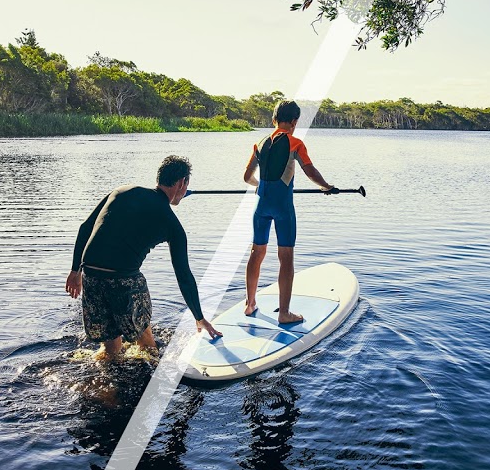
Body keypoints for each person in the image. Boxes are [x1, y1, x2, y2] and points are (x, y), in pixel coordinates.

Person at [65, 155, 222, 360]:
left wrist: (75, 271)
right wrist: (199, 317)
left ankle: (107, 375)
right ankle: (152, 372)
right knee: (147, 343)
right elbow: (183, 275)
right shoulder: (172, 223)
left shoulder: (122, 191)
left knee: (111, 348)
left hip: (91, 276)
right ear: (182, 183)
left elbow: (85, 228)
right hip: (123, 280)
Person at [243, 100, 335, 324]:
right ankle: (284, 313)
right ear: (294, 121)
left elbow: (247, 177)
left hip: (261, 206)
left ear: (274, 119)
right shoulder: (296, 143)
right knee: (286, 257)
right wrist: (326, 187)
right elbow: (310, 171)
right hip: (283, 207)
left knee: (256, 252)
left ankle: (250, 304)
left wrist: (259, 185)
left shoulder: (259, 144)